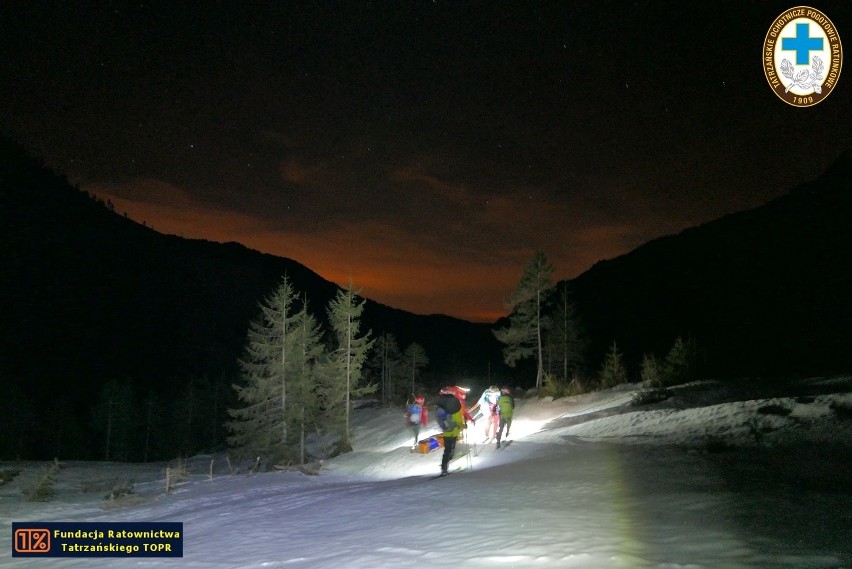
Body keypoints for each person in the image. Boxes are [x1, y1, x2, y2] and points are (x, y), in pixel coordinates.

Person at [435, 386, 471, 476]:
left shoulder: (442, 409)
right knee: (451, 448)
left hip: (446, 432)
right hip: (454, 432)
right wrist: (464, 426)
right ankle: (449, 462)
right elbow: (459, 422)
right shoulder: (456, 410)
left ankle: (444, 468)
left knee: (446, 450)